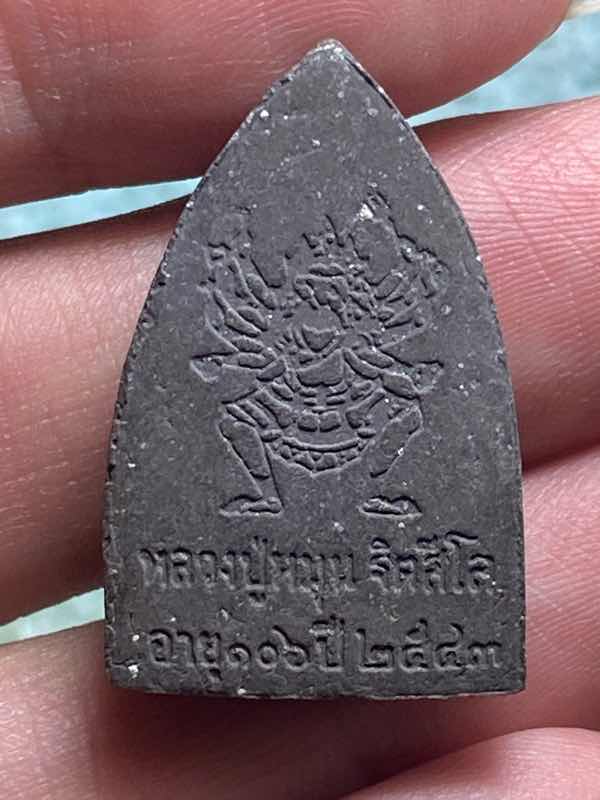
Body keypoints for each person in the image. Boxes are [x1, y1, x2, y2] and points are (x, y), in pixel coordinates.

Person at [1, 2, 599, 797]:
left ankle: (370, 495)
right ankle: (260, 493)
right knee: (241, 417)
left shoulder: (368, 310)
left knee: (403, 413)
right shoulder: (272, 311)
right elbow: (236, 320)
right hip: (268, 460)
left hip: (373, 488)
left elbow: (404, 330)